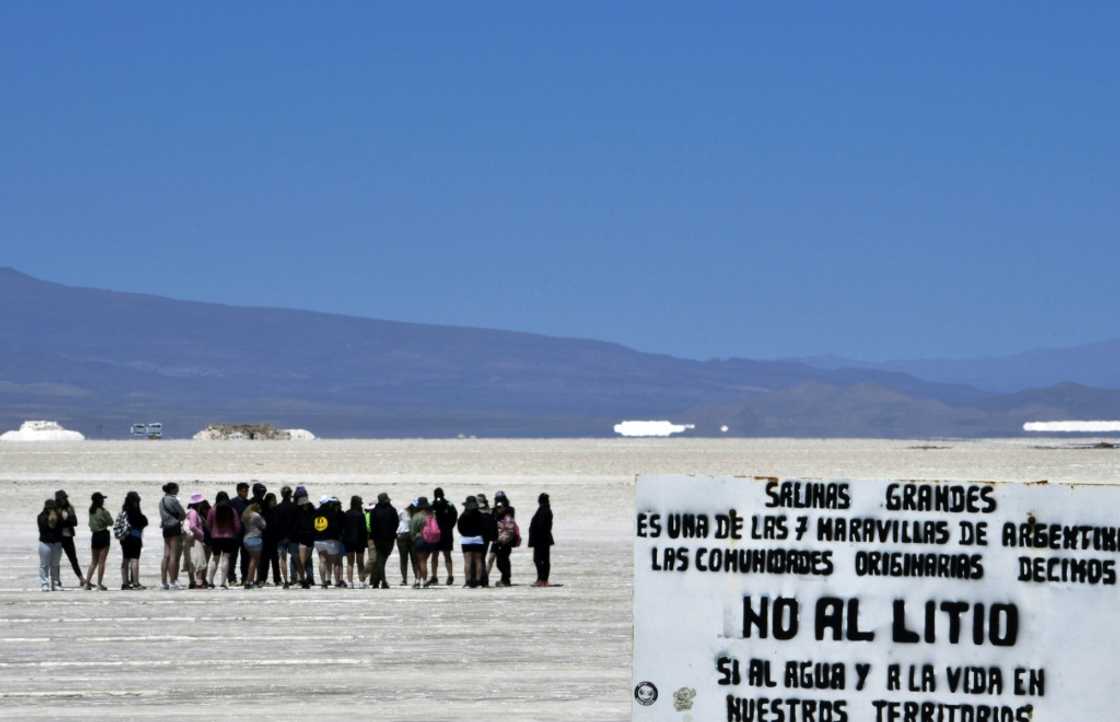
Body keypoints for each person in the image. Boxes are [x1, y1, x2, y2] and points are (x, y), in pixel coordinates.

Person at [206, 492, 242, 589]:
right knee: (225, 559)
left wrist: (212, 532)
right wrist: (235, 533)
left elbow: (208, 524)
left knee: (215, 558)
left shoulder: (212, 510)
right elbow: (237, 526)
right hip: (228, 538)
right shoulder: (232, 510)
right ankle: (222, 582)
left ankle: (210, 582)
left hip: (215, 538)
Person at [158, 483, 187, 590]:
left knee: (166, 555)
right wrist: (179, 518)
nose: (178, 490)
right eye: (177, 488)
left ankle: (163, 581)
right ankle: (172, 581)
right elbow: (183, 514)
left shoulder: (161, 501)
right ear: (173, 489)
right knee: (174, 556)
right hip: (174, 527)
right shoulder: (174, 500)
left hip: (165, 528)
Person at [118, 491, 148, 590]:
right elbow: (144, 522)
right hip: (135, 538)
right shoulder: (136, 513)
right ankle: (135, 582)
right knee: (135, 560)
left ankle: (125, 583)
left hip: (124, 538)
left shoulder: (123, 512)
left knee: (125, 560)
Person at [312, 496, 344, 588]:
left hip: (318, 540)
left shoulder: (315, 512)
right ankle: (337, 582)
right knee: (337, 561)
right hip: (330, 539)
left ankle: (323, 582)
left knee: (322, 560)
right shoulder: (332, 512)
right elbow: (336, 526)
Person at [367, 493, 397, 590]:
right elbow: (396, 523)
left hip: (378, 539)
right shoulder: (392, 510)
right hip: (389, 539)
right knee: (381, 560)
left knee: (380, 560)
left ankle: (376, 581)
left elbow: (372, 525)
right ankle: (383, 581)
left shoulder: (375, 511)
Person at [83, 492, 113, 590]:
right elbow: (111, 522)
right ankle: (99, 584)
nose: (103, 501)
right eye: (102, 499)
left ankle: (87, 583)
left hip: (94, 536)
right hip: (103, 535)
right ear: (99, 500)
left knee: (93, 561)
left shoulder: (91, 510)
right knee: (101, 562)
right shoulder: (103, 511)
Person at [54, 490, 83, 587]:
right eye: (63, 498)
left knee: (73, 559)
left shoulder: (70, 508)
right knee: (56, 560)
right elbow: (55, 524)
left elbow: (75, 522)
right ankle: (56, 580)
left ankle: (81, 578)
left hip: (68, 537)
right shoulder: (54, 510)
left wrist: (64, 521)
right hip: (58, 538)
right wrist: (65, 521)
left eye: (65, 498)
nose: (65, 500)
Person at [430, 488, 458, 586]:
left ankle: (434, 576)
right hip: (446, 533)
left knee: (435, 555)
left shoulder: (431, 505)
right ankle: (450, 576)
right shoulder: (449, 504)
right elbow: (455, 517)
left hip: (435, 533)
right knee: (446, 555)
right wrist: (449, 527)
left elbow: (427, 518)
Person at [456, 495, 485, 588]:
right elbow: (483, 526)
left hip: (466, 540)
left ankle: (468, 581)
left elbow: (460, 528)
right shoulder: (480, 515)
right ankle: (478, 581)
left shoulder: (463, 515)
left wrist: (465, 534)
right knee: (478, 560)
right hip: (478, 539)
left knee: (467, 561)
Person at [272, 486, 298, 588]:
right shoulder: (294, 507)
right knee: (296, 557)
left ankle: (286, 580)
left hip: (281, 537)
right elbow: (296, 524)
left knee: (283, 559)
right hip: (292, 537)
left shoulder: (277, 508)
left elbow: (276, 524)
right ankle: (298, 579)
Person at [410, 497, 438, 588]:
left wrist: (413, 539)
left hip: (419, 540)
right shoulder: (432, 515)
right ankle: (418, 580)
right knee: (423, 560)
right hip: (430, 541)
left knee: (420, 561)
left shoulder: (416, 516)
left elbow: (412, 531)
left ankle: (423, 581)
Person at [528, 493, 555, 586]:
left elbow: (541, 526)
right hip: (544, 539)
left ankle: (542, 579)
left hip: (541, 540)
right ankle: (542, 579)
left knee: (539, 559)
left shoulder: (544, 510)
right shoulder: (545, 509)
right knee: (543, 560)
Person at [342, 496, 368, 588]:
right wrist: (365, 542)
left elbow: (343, 528)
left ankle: (350, 582)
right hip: (359, 541)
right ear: (358, 504)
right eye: (360, 503)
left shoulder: (346, 514)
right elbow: (363, 529)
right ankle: (362, 582)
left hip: (349, 541)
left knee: (350, 562)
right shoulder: (360, 515)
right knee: (360, 562)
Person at [37, 499, 63, 591]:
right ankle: (44, 584)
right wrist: (51, 518)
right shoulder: (41, 516)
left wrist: (57, 517)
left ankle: (56, 583)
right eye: (51, 508)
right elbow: (47, 527)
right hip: (45, 543)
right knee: (44, 565)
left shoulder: (59, 516)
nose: (52, 509)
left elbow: (61, 527)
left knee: (55, 564)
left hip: (57, 543)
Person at [182, 493, 206, 589]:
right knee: (199, 563)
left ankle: (192, 582)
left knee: (191, 561)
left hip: (190, 540)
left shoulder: (189, 512)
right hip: (195, 540)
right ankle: (199, 583)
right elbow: (192, 526)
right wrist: (201, 534)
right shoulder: (194, 513)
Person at [228, 482, 250, 584]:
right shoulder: (232, 502)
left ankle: (244, 577)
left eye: (247, 491)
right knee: (233, 557)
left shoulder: (248, 503)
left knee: (245, 557)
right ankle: (231, 578)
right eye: (244, 491)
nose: (246, 493)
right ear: (239, 491)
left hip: (246, 533)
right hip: (234, 534)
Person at [294, 486, 317, 588]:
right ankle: (302, 579)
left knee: (303, 561)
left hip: (306, 538)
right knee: (303, 561)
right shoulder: (312, 510)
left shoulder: (299, 511)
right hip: (307, 538)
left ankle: (301, 579)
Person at [493, 505, 520, 587]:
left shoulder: (507, 518)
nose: (498, 510)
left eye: (500, 508)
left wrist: (502, 541)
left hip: (505, 543)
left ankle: (506, 580)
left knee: (502, 562)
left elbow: (509, 531)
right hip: (500, 542)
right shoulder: (500, 517)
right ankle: (505, 579)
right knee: (502, 562)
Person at [241, 502, 266, 589]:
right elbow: (264, 526)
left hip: (246, 539)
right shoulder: (256, 515)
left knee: (253, 560)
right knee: (254, 561)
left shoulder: (246, 515)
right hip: (255, 539)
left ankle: (250, 580)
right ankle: (249, 581)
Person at [258, 492, 280, 587]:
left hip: (274, 539)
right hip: (265, 539)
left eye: (275, 500)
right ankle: (262, 579)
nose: (274, 502)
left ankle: (277, 579)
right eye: (272, 500)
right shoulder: (263, 512)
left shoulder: (276, 511)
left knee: (275, 560)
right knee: (264, 561)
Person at [396, 500, 417, 586]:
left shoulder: (415, 513)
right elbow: (396, 522)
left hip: (407, 536)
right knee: (405, 559)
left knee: (412, 559)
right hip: (404, 536)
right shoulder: (402, 512)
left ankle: (415, 578)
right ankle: (405, 579)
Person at [478, 493, 497, 587]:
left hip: (483, 537)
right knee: (481, 558)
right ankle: (483, 579)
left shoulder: (486, 512)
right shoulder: (489, 511)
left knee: (480, 558)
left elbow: (493, 525)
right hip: (484, 537)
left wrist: (494, 537)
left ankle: (482, 579)